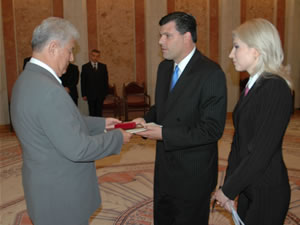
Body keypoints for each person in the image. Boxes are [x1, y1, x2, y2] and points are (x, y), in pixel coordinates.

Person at [10, 17, 132, 225]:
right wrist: (118, 138)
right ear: (53, 47)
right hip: (62, 195)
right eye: (70, 50)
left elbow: (61, 123)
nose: (72, 57)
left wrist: (102, 124)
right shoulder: (49, 90)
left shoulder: (26, 79)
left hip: (43, 187)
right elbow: (79, 149)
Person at [133, 11, 227, 224]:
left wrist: (165, 133)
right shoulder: (164, 67)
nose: (160, 41)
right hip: (165, 169)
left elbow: (212, 129)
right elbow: (162, 108)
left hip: (193, 174)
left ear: (186, 37)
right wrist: (145, 120)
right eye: (160, 35)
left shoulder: (211, 72)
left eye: (167, 35)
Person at [213, 18, 293, 225]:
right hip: (249, 185)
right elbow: (239, 143)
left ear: (256, 50)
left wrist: (229, 189)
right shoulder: (252, 85)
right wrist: (230, 187)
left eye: (237, 47)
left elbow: (261, 151)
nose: (231, 54)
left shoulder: (276, 88)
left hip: (267, 191)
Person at [81, 49, 108, 117]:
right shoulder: (85, 67)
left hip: (100, 94)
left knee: (99, 112)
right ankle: (93, 127)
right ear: (90, 56)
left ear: (99, 57)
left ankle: (100, 126)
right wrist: (83, 94)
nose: (95, 58)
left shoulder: (103, 67)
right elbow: (83, 81)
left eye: (97, 56)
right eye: (93, 56)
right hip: (90, 94)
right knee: (92, 112)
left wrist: (105, 93)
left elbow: (105, 81)